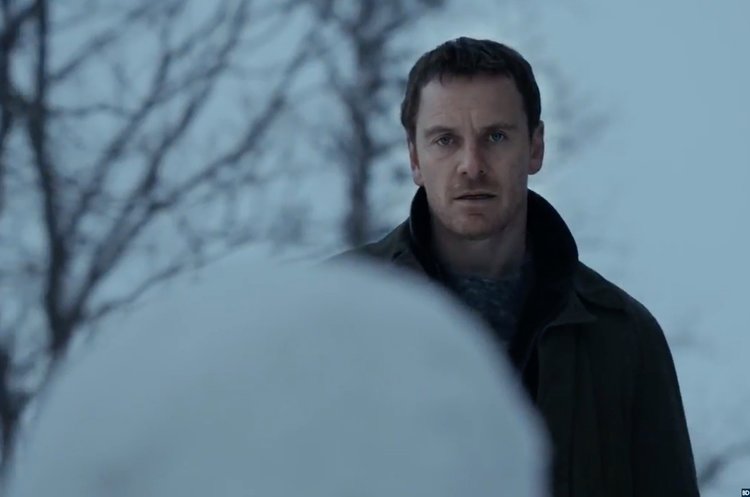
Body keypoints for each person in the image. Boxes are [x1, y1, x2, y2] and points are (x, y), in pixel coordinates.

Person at [334, 37, 700, 497]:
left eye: (496, 137)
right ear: (414, 158)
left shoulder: (621, 337)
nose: (471, 166)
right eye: (445, 140)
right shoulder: (336, 309)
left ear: (535, 147)